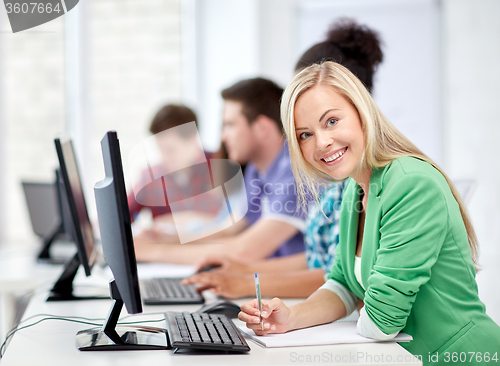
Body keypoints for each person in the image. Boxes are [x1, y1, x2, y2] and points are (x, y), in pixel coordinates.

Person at [238, 61, 500, 363]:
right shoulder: (355, 188)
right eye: (304, 135)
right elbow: (343, 285)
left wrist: (354, 320)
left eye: (332, 121)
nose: (322, 142)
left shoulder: (411, 184)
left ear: (362, 113)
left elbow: (382, 322)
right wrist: (291, 318)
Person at [183, 19, 383, 298]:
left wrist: (247, 281)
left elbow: (350, 284)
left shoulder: (383, 186)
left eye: (331, 119)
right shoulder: (341, 183)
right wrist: (244, 270)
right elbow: (323, 262)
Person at [134, 78, 308, 264]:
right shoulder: (257, 171)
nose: (223, 136)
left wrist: (153, 252)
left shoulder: (295, 174)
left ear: (262, 127)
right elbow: (230, 228)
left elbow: (244, 251)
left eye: (230, 125)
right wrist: (169, 240)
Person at [128, 104, 222, 225]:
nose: (164, 158)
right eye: (160, 150)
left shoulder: (222, 166)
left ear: (192, 138)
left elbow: (240, 219)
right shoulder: (150, 178)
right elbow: (121, 217)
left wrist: (186, 221)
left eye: (170, 150)